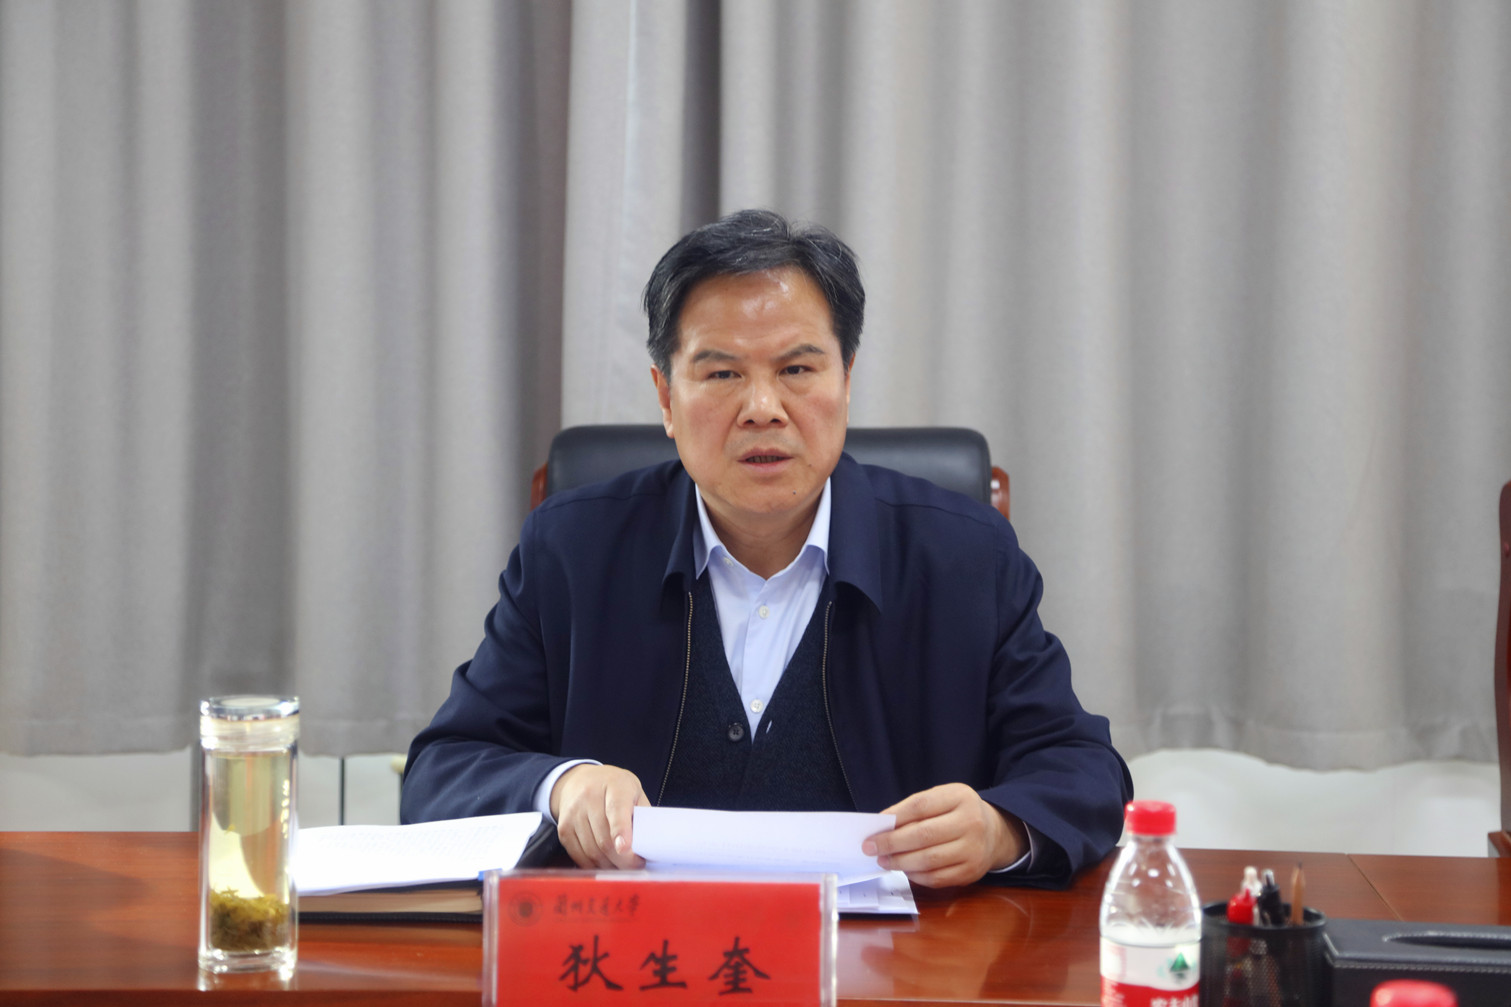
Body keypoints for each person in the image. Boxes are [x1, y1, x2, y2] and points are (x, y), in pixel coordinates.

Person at [401, 209, 1131, 888]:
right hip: (638, 955)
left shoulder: (963, 556)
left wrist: (999, 829)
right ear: (665, 398)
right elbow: (442, 772)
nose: (762, 409)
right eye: (722, 373)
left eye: (797, 370)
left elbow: (1082, 768)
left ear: (846, 381)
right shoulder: (572, 551)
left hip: (895, 959)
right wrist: (562, 786)